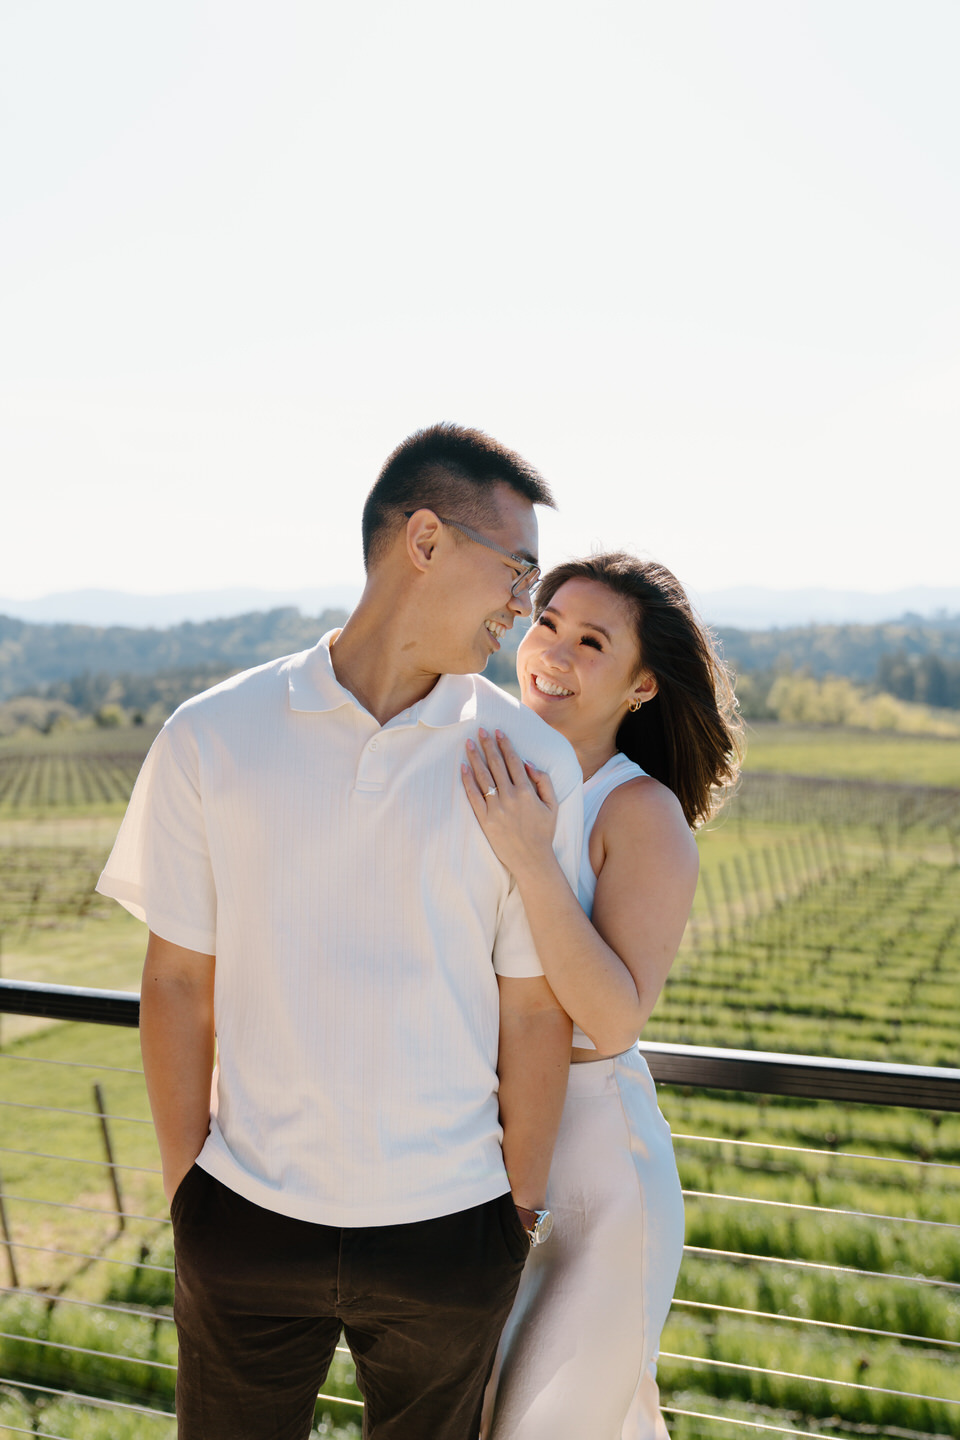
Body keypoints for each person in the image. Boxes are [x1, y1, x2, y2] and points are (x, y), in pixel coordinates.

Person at [96, 423, 585, 1440]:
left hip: (452, 1234)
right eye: (517, 569)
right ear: (424, 540)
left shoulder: (529, 760)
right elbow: (176, 984)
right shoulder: (211, 735)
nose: (523, 608)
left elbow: (536, 1010)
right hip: (245, 1224)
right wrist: (192, 1198)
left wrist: (515, 1218)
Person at [462, 551, 741, 1440]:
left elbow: (615, 1017)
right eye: (547, 623)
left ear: (643, 684)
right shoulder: (479, 759)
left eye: (592, 641)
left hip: (599, 1187)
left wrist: (532, 856)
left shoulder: (640, 813)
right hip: (476, 1158)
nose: (555, 651)